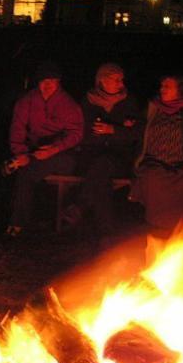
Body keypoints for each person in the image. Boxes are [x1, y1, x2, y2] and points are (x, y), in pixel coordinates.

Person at [60, 63, 143, 243]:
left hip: (119, 157)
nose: (120, 84)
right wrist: (96, 133)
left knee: (103, 166)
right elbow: (79, 131)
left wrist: (113, 130)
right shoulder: (88, 101)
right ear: (102, 81)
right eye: (116, 80)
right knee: (101, 177)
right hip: (91, 155)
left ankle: (81, 208)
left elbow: (137, 132)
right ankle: (106, 233)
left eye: (121, 80)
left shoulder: (129, 101)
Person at [6, 60, 84, 236]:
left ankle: (17, 223)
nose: (47, 85)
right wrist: (20, 153)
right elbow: (17, 128)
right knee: (25, 168)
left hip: (62, 154)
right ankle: (19, 223)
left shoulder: (68, 104)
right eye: (43, 81)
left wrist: (54, 149)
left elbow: (76, 134)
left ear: (58, 82)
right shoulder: (27, 101)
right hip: (34, 151)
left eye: (51, 80)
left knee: (26, 171)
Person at [130, 75, 183, 234]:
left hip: (181, 162)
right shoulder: (153, 108)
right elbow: (139, 128)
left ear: (180, 90)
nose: (162, 89)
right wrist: (132, 124)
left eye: (167, 86)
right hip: (154, 161)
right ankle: (158, 227)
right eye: (161, 86)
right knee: (151, 178)